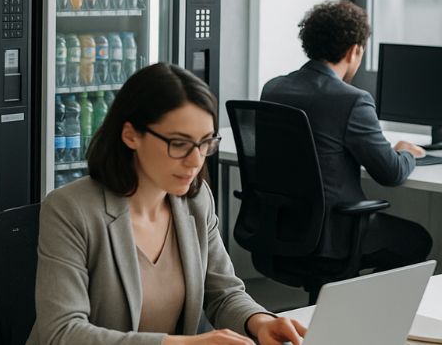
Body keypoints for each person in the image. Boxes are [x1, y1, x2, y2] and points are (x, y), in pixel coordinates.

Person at [29, 63, 306, 345]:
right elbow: (62, 332)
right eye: (179, 143)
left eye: (205, 143)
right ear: (131, 135)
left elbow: (224, 293)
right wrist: (182, 344)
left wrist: (259, 322)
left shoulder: (196, 201)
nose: (196, 161)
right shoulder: (69, 210)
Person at [261, 0, 431, 268]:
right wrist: (405, 152)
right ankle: (368, 310)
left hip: (278, 226)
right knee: (416, 240)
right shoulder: (352, 100)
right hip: (333, 234)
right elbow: (391, 173)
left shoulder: (273, 89)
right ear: (354, 51)